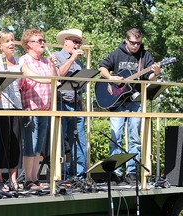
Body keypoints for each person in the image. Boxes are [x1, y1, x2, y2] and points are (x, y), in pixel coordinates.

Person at [98, 28, 160, 185]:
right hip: (117, 102)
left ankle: (131, 173)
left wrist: (156, 73)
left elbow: (149, 78)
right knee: (115, 137)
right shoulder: (117, 53)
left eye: (138, 43)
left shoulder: (145, 56)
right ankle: (115, 172)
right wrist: (111, 77)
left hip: (135, 101)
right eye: (133, 43)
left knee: (134, 139)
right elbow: (102, 67)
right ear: (126, 41)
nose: (136, 46)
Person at [19, 28, 58, 191]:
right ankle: (27, 179)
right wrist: (49, 77)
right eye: (39, 40)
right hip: (31, 108)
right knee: (31, 144)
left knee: (39, 144)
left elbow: (55, 80)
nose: (43, 43)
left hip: (45, 108)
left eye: (43, 40)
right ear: (29, 44)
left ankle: (34, 178)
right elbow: (37, 78)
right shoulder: (24, 60)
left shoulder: (44, 61)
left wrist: (52, 65)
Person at [0, 30, 23, 192]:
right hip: (1, 107)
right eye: (7, 41)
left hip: (16, 105)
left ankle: (13, 179)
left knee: (15, 144)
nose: (11, 44)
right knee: (2, 143)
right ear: (0, 45)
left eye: (13, 40)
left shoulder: (18, 61)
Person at [54, 29, 88, 179]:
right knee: (60, 140)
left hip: (76, 105)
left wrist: (82, 103)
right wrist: (72, 58)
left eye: (78, 42)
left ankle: (79, 174)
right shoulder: (56, 56)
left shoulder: (79, 62)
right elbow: (58, 75)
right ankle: (60, 174)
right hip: (61, 103)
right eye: (74, 41)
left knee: (79, 139)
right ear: (65, 41)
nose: (76, 45)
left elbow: (80, 86)